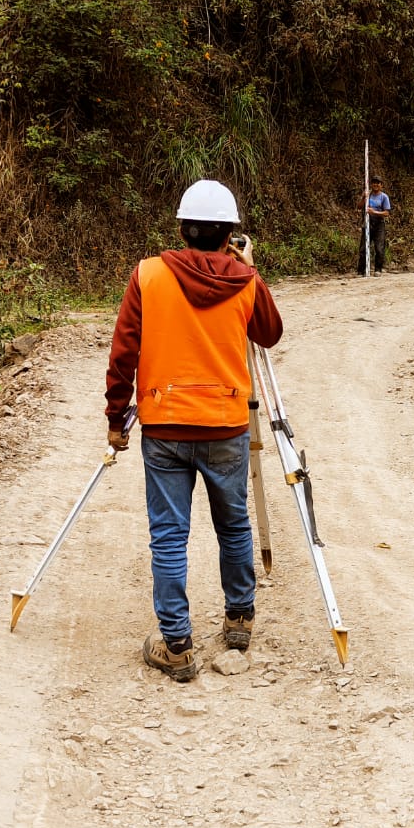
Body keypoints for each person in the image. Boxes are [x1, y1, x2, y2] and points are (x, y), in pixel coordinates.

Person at [104, 178, 284, 682]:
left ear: (183, 228)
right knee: (233, 526)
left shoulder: (147, 276)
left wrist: (116, 418)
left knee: (168, 536)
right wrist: (249, 270)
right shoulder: (244, 281)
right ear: (229, 234)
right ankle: (239, 619)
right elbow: (269, 333)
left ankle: (177, 645)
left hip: (163, 427)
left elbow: (123, 353)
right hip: (224, 425)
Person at [359, 176, 392, 275]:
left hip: (379, 225)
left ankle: (378, 269)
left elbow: (386, 213)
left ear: (381, 185)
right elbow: (359, 207)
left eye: (378, 183)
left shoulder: (384, 197)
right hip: (367, 223)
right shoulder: (368, 195)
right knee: (363, 248)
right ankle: (362, 270)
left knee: (379, 248)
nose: (375, 185)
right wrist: (363, 197)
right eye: (374, 183)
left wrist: (374, 212)